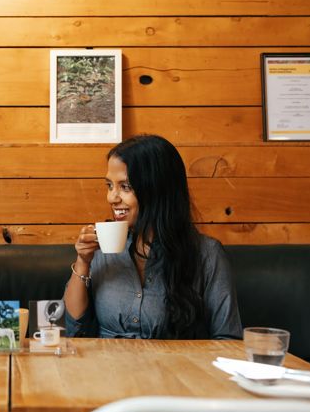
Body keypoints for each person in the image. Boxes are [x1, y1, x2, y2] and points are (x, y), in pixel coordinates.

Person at [64, 134, 242, 340]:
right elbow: (73, 329)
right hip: (109, 368)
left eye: (125, 187)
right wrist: (83, 261)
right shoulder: (102, 246)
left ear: (157, 190)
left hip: (175, 370)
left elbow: (228, 340)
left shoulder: (207, 255)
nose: (111, 197)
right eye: (109, 185)